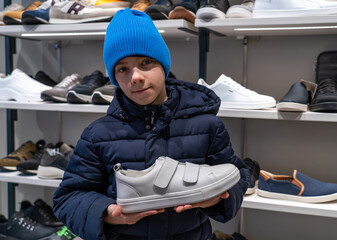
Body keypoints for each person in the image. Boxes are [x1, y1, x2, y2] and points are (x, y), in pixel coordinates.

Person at [53, 8, 249, 240]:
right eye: (123, 68)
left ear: (163, 65)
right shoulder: (98, 134)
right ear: (114, 77)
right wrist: (107, 213)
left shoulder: (206, 126)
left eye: (145, 62)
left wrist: (218, 198)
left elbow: (237, 176)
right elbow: (68, 197)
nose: (135, 76)